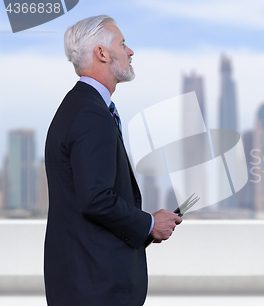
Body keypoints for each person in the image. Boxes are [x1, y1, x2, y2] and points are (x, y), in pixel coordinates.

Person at [44, 15, 182, 305]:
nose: (130, 51)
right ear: (102, 54)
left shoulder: (81, 107)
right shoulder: (91, 114)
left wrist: (147, 227)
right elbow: (96, 200)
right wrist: (148, 223)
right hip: (96, 287)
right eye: (122, 44)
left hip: (85, 281)